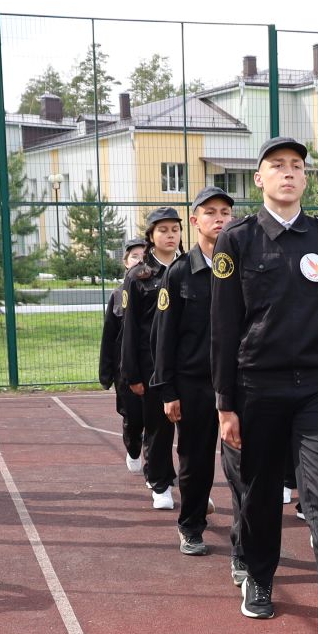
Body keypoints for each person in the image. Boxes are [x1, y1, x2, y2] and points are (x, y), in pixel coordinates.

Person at [211, 136, 318, 634]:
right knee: (258, 495)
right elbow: (224, 326)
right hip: (257, 388)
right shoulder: (237, 241)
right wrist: (225, 404)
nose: (288, 174)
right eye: (276, 166)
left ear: (305, 179)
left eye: (296, 167)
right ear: (258, 179)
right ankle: (259, 577)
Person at [151, 186, 232, 557]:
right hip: (194, 384)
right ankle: (191, 525)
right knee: (195, 461)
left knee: (244, 464)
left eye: (225, 212)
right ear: (195, 220)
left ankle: (246, 535)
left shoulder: (243, 266)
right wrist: (167, 390)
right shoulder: (180, 273)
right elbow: (164, 338)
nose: (219, 218)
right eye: (210, 212)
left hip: (237, 384)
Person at [120, 207, 182, 510]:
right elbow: (129, 329)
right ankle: (159, 484)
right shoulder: (139, 276)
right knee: (158, 428)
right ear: (151, 237)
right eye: (163, 230)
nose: (170, 235)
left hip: (188, 366)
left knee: (193, 430)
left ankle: (188, 479)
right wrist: (132, 374)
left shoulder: (191, 268)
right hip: (151, 367)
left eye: (175, 229)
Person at [98, 236, 149, 472]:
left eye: (144, 256)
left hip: (153, 367)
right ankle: (133, 448)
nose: (140, 261)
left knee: (156, 419)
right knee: (133, 417)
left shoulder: (161, 290)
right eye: (135, 256)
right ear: (126, 262)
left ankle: (155, 468)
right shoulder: (118, 296)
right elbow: (109, 335)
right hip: (125, 369)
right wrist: (106, 372)